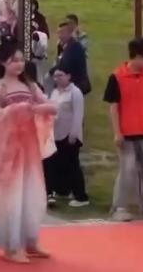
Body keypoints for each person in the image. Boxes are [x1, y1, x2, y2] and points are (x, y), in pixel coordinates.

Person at [0, 41, 56, 264]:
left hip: (28, 147)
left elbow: (52, 106)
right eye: (14, 61)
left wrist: (34, 108)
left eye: (21, 60)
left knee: (31, 192)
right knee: (11, 195)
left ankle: (30, 239)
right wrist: (10, 111)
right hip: (7, 148)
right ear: (3, 62)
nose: (19, 64)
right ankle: (11, 245)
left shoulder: (29, 85)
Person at [103, 37, 143, 222]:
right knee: (127, 170)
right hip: (127, 133)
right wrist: (117, 132)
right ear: (137, 56)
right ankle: (120, 207)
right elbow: (113, 106)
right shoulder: (117, 76)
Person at [44, 67, 89, 207]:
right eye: (55, 76)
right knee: (56, 164)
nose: (57, 78)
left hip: (70, 135)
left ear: (69, 76)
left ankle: (81, 196)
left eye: (60, 75)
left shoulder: (75, 92)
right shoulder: (55, 92)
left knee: (72, 165)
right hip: (56, 134)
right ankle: (61, 190)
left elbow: (78, 115)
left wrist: (74, 134)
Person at [54, 22, 90, 95]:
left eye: (62, 33)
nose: (59, 36)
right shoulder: (65, 46)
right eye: (58, 33)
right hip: (69, 86)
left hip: (76, 86)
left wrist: (52, 73)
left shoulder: (74, 47)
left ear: (69, 34)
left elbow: (65, 66)